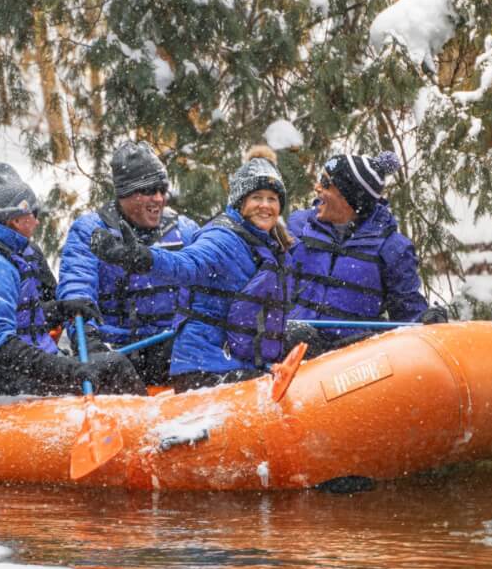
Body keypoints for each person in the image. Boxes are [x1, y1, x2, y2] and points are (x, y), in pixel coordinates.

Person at [0, 162, 144, 401]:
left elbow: (16, 319)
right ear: (15, 220)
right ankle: (145, 432)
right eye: (34, 215)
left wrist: (61, 309)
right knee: (113, 366)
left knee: (107, 364)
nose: (37, 223)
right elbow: (0, 348)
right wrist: (70, 371)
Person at [91, 145, 294, 392]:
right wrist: (141, 257)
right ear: (241, 202)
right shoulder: (223, 238)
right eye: (256, 198)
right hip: (205, 368)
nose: (265, 206)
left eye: (272, 199)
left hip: (235, 360)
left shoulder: (268, 244)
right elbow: (186, 264)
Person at [57, 141, 200, 384]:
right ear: (124, 194)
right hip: (116, 348)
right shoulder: (90, 230)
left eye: (161, 190)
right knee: (113, 367)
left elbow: (209, 272)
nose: (158, 199)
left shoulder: (185, 230)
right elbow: (77, 285)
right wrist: (91, 342)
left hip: (172, 345)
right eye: (147, 191)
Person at [282, 150, 445, 357]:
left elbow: (408, 315)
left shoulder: (392, 248)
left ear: (347, 195)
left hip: (351, 362)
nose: (317, 187)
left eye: (325, 182)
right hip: (290, 352)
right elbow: (268, 283)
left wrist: (429, 322)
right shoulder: (299, 226)